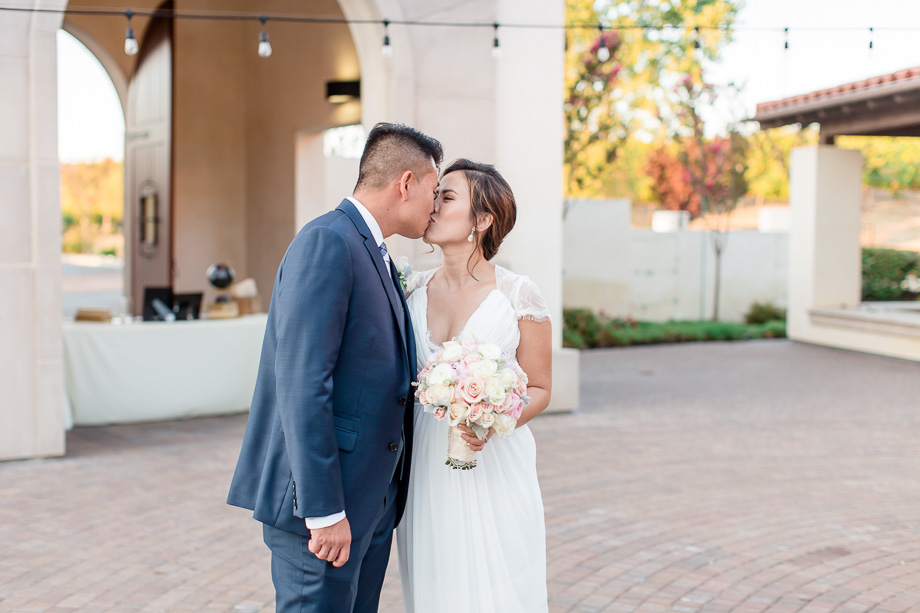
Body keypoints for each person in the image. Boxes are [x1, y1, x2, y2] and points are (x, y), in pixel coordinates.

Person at [227, 123, 443, 613]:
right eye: (433, 190)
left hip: (370, 499)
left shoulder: (376, 253)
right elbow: (303, 384)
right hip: (324, 507)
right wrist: (323, 511)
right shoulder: (327, 241)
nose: (435, 205)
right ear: (405, 183)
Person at [397, 159, 553, 612]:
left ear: (481, 220)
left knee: (497, 587)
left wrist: (493, 419)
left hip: (493, 461)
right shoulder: (410, 290)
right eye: (435, 193)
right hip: (424, 460)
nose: (433, 204)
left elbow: (541, 388)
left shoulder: (519, 294)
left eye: (446, 197)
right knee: (436, 582)